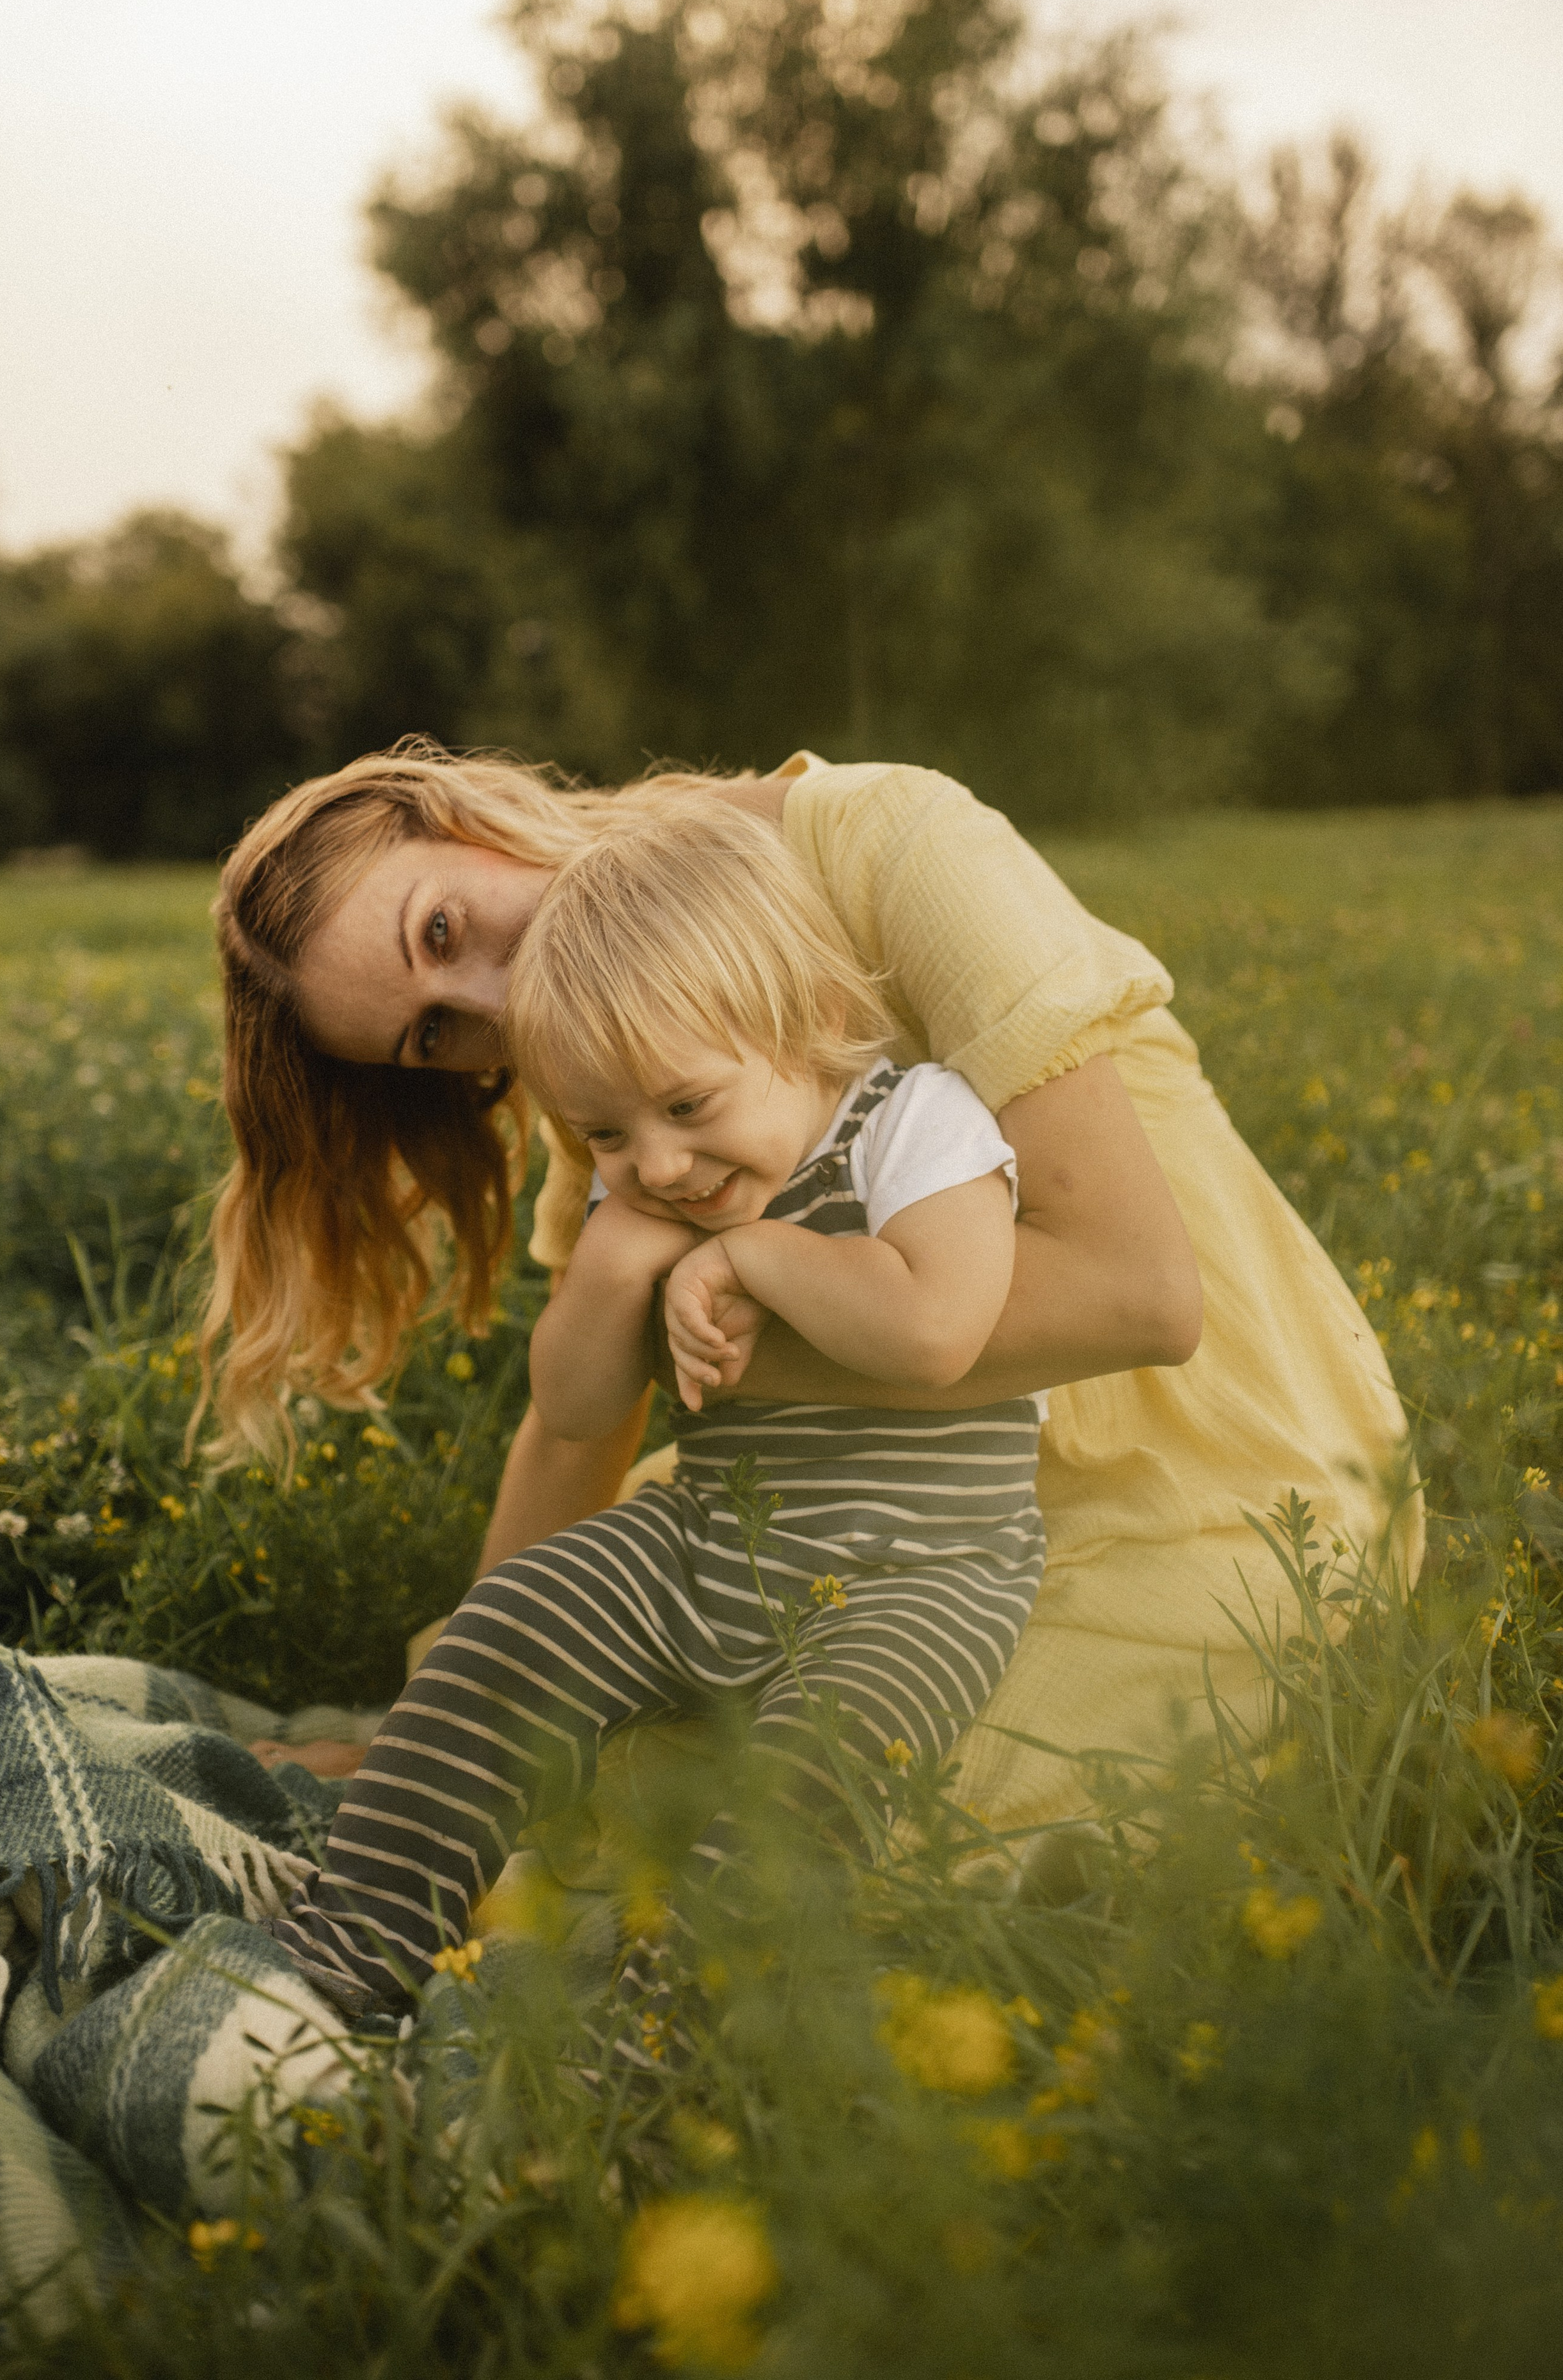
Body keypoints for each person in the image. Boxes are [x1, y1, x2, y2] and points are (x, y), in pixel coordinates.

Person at [203, 735, 1417, 1859]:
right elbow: (579, 1417)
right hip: (849, 1481)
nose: (498, 1007)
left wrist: (721, 1333)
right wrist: (445, 1726)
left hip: (1191, 1443)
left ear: (469, 813)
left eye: (443, 928)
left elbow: (1140, 1298)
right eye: (433, 1037)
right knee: (553, 1763)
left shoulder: (895, 848)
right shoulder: (594, 1038)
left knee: (834, 1835)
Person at [266, 801, 1050, 2007]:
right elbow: (577, 1406)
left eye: (689, 1108)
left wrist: (753, 1257)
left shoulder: (913, 1120)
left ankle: (672, 2028)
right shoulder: (648, 1188)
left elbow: (937, 1334)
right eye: (606, 1135)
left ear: (810, 1023)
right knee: (507, 1628)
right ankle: (350, 1945)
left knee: (811, 1780)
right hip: (711, 1538)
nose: (662, 1165)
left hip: (923, 1568)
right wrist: (618, 1259)